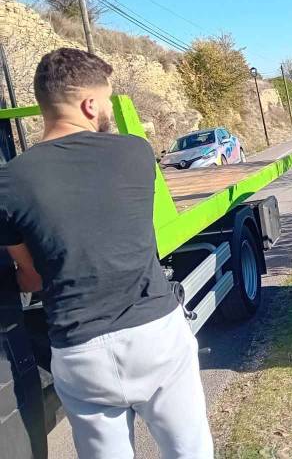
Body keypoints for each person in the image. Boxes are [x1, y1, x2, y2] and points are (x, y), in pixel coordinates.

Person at [0, 48, 213, 459]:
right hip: (154, 334)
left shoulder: (9, 183)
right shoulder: (134, 153)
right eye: (108, 100)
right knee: (190, 452)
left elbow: (31, 277)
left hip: (79, 351)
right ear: (89, 104)